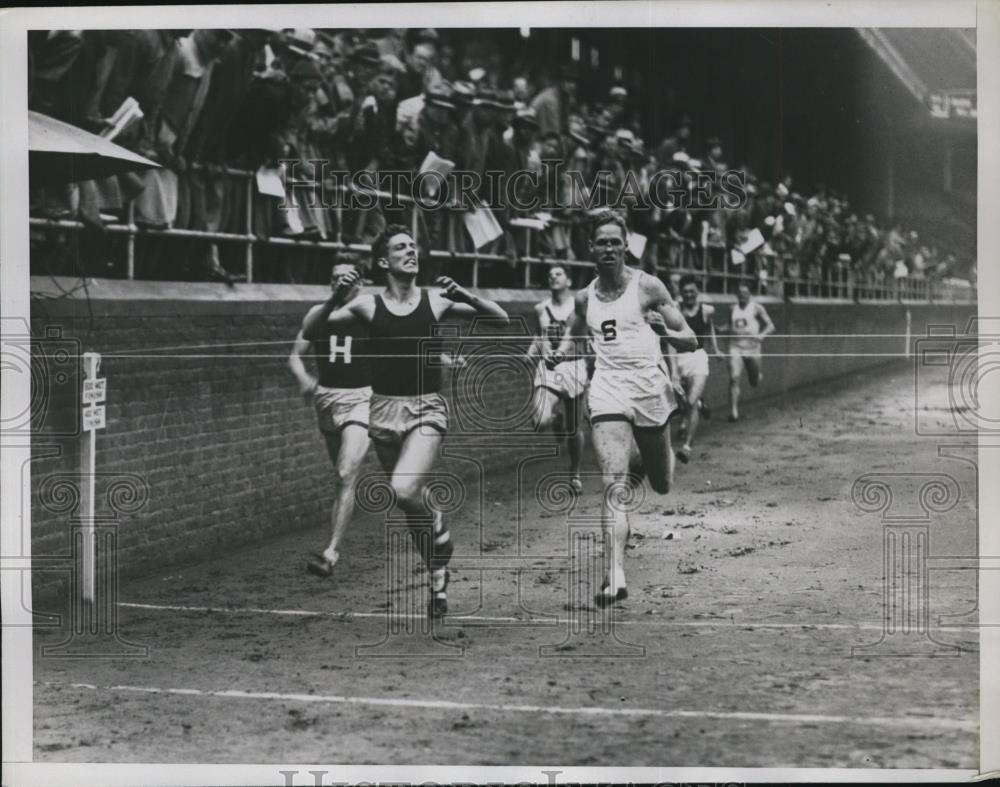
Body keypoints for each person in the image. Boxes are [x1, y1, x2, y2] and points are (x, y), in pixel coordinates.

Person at [301, 225, 509, 618]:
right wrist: (334, 296)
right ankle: (437, 579)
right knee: (411, 506)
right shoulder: (367, 306)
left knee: (402, 489)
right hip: (382, 411)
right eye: (401, 247)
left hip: (426, 409)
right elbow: (312, 330)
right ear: (383, 262)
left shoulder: (435, 302)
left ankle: (441, 526)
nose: (411, 251)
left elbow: (500, 319)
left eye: (413, 246)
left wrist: (465, 294)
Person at [553, 212, 696, 607]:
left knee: (662, 482)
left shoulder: (648, 286)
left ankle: (654, 457)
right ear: (591, 248)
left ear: (626, 245)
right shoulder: (584, 297)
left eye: (616, 241)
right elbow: (573, 334)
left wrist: (663, 330)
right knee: (612, 483)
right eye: (602, 242)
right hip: (607, 391)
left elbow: (691, 338)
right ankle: (614, 576)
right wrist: (558, 355)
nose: (609, 249)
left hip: (649, 391)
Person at [289, 253, 373, 578]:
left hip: (362, 400)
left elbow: (404, 338)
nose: (341, 282)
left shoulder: (369, 313)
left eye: (348, 277)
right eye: (336, 277)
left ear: (361, 283)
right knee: (339, 477)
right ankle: (334, 541)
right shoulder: (318, 314)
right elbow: (296, 355)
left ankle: (330, 551)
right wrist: (304, 379)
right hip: (326, 400)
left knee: (345, 472)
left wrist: (440, 356)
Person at [527, 263, 588, 492]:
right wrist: (531, 351)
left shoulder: (579, 306)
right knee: (539, 421)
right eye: (550, 274)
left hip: (573, 366)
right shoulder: (540, 308)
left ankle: (575, 472)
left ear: (569, 281)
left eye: (558, 274)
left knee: (574, 430)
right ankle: (556, 421)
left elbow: (584, 335)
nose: (553, 277)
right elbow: (539, 335)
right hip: (549, 368)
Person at [673, 274, 723, 463]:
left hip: (698, 357)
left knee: (691, 401)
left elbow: (710, 328)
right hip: (680, 358)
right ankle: (699, 405)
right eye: (685, 292)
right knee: (684, 402)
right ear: (681, 293)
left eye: (692, 291)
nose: (689, 295)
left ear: (697, 292)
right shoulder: (676, 310)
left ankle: (686, 447)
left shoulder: (706, 310)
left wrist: (716, 349)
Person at [726, 279, 775, 422]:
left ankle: (757, 374)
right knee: (734, 377)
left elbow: (770, 326)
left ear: (750, 294)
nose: (742, 296)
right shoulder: (732, 308)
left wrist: (761, 336)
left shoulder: (757, 308)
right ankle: (734, 412)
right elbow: (730, 326)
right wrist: (718, 329)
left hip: (752, 348)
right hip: (735, 347)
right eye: (739, 293)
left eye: (745, 293)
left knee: (754, 382)